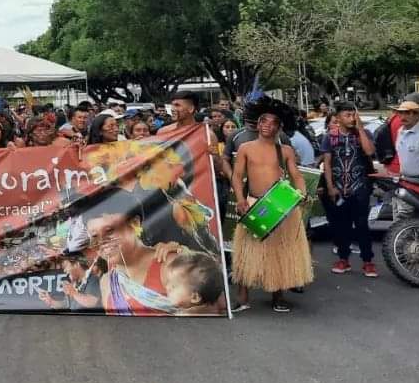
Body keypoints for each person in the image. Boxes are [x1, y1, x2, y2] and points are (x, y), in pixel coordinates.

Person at [231, 97, 313, 313]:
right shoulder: (245, 148)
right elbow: (237, 176)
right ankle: (243, 297)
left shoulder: (285, 150)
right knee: (246, 251)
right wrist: (240, 199)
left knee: (280, 252)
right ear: (257, 124)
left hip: (280, 203)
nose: (268, 126)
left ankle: (278, 296)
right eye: (264, 121)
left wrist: (302, 193)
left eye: (273, 123)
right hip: (253, 204)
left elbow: (296, 175)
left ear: (279, 127)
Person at [321, 102, 378, 278]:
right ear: (337, 118)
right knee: (341, 226)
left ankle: (367, 261)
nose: (351, 118)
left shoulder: (364, 134)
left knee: (362, 225)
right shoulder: (329, 137)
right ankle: (343, 259)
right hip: (338, 187)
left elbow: (369, 152)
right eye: (347, 115)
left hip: (360, 187)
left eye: (353, 114)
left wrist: (360, 127)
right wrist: (330, 186)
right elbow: (327, 164)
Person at [161, 251, 226, 315]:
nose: (167, 287)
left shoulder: (186, 318)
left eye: (173, 286)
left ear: (194, 297)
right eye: (169, 281)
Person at [37, 255, 103, 311]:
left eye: (66, 266)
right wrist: (51, 301)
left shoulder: (93, 279)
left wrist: (73, 293)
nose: (64, 270)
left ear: (77, 264)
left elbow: (92, 302)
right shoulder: (76, 284)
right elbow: (66, 305)